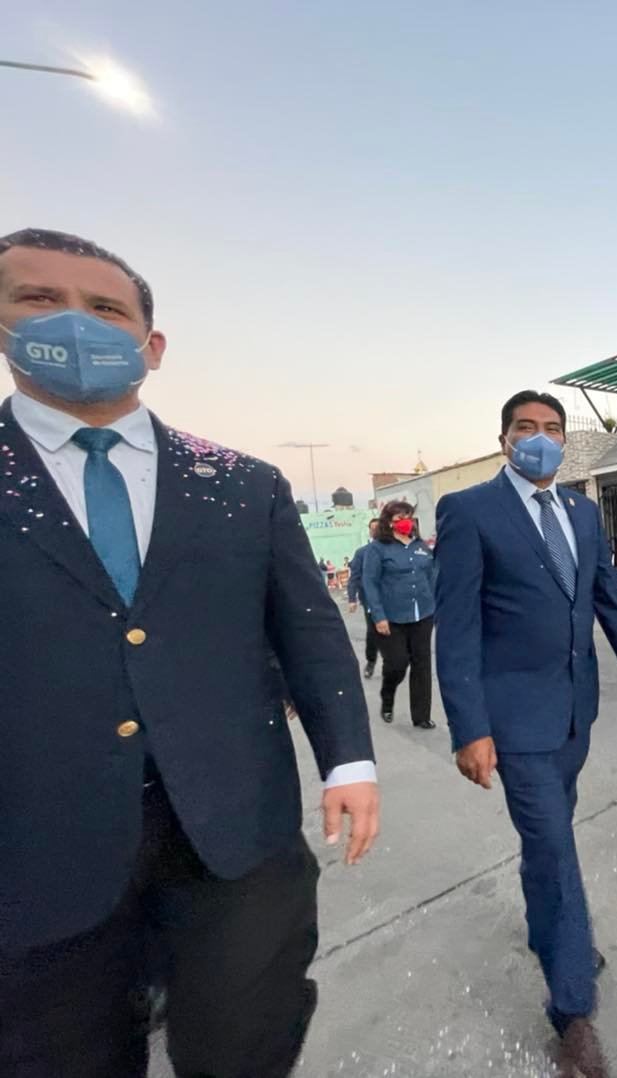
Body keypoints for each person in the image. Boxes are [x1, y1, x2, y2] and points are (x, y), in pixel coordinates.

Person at [0, 228, 378, 1078]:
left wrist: (349, 761)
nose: (74, 322)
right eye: (39, 298)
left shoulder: (242, 484)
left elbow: (310, 631)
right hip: (37, 849)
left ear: (152, 344)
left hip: (233, 828)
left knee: (244, 1042)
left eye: (105, 308)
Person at [435, 390, 617, 1076]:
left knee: (547, 842)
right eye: (526, 427)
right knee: (558, 851)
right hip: (513, 721)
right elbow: (458, 628)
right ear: (504, 438)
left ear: (566, 440)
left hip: (573, 713)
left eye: (552, 428)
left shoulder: (581, 511)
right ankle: (573, 1010)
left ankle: (549, 933)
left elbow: (608, 601)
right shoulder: (470, 510)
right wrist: (469, 728)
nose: (540, 438)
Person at [362, 500, 438, 728]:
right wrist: (378, 616)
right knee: (397, 663)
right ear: (388, 522)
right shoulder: (378, 549)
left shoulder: (421, 546)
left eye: (408, 517)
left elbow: (431, 576)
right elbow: (370, 583)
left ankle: (421, 716)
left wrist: (436, 605)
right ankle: (387, 697)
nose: (405, 522)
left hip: (423, 613)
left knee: (422, 664)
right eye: (399, 518)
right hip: (392, 617)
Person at [347, 519, 382, 678]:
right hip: (370, 600)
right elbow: (354, 577)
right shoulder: (362, 553)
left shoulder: (392, 550)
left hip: (392, 599)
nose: (375, 531)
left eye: (378, 528)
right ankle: (371, 661)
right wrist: (352, 599)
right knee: (373, 632)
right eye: (372, 528)